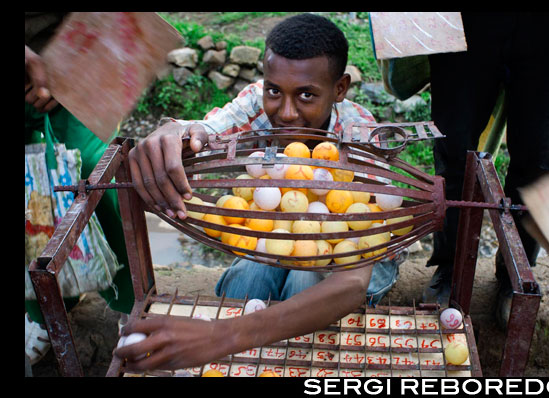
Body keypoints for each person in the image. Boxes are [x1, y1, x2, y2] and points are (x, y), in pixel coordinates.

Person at [115, 13, 406, 371]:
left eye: (306, 95)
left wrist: (223, 336)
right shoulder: (260, 100)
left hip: (357, 259)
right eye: (274, 91)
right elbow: (207, 129)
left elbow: (352, 281)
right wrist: (174, 131)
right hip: (288, 230)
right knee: (249, 277)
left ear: (340, 88)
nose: (285, 112)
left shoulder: (360, 140)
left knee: (304, 279)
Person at [419, 13, 549, 326]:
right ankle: (449, 267)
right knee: (454, 148)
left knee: (540, 160)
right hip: (467, 19)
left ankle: (515, 277)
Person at [25, 12, 134, 368]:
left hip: (71, 64)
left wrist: (70, 63)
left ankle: (129, 305)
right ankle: (38, 308)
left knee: (96, 172)